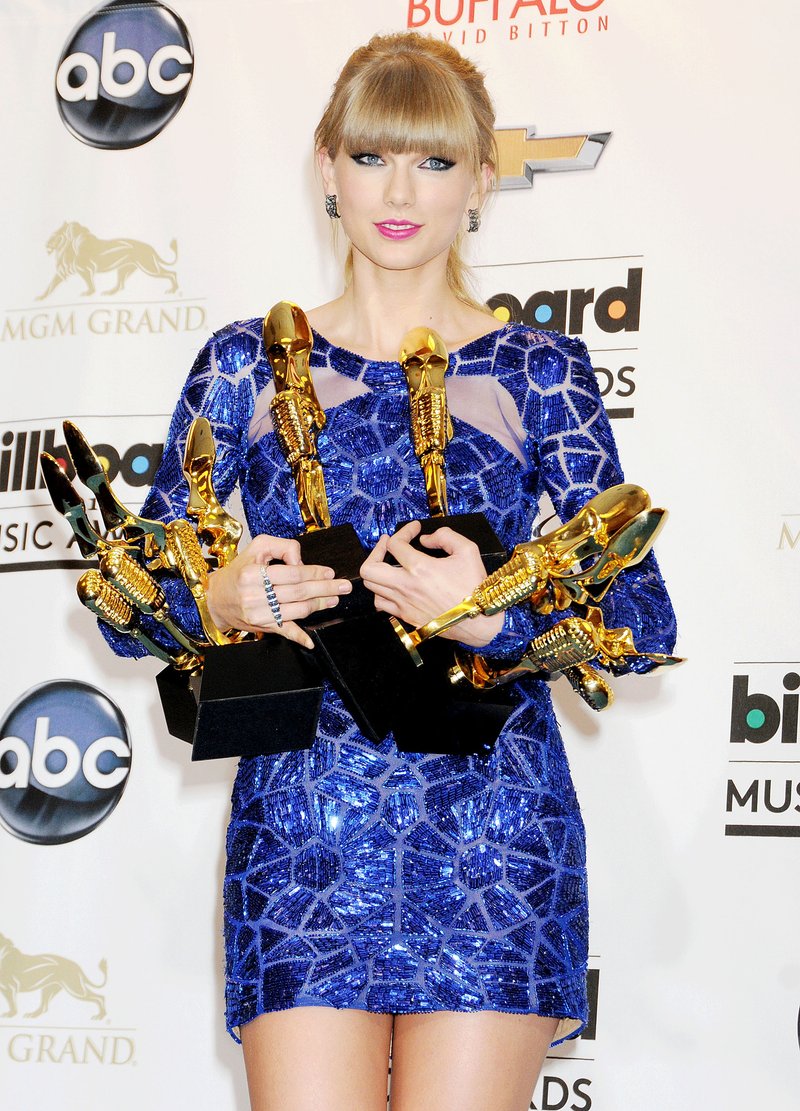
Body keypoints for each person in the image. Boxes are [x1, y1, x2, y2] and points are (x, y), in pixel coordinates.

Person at [103, 31, 676, 1111]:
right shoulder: (245, 363)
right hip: (301, 831)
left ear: (479, 181)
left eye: (432, 160)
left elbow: (637, 613)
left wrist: (491, 614)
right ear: (325, 168)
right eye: (369, 158)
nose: (398, 190)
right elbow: (131, 593)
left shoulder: (534, 370)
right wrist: (219, 596)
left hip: (492, 834)